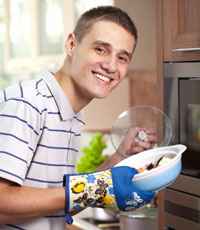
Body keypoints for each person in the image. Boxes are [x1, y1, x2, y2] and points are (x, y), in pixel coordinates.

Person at [0, 6, 156, 230]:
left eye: (122, 57)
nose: (111, 66)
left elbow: (64, 200)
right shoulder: (28, 103)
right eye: (101, 49)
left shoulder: (69, 115)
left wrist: (121, 156)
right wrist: (98, 187)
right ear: (72, 44)